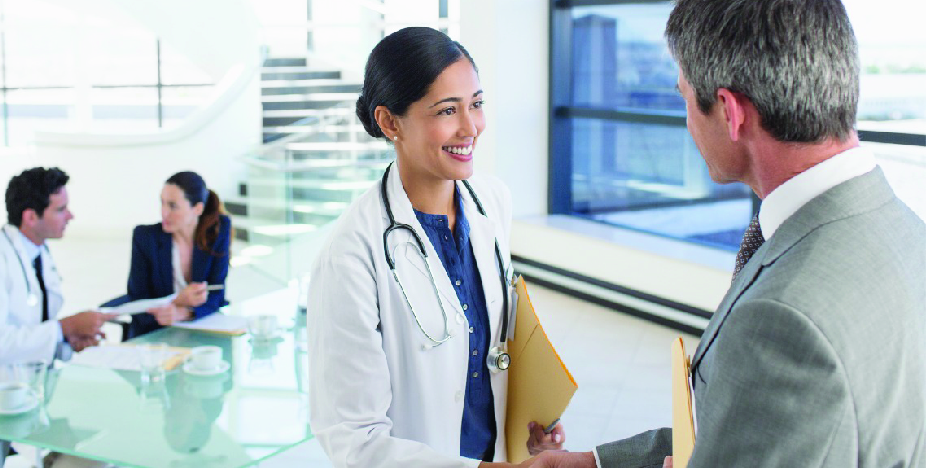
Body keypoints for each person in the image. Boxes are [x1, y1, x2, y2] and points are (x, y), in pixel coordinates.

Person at [531, 0, 926, 466]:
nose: (686, 121)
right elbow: (750, 425)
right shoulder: (903, 230)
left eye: (683, 97)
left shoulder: (784, 321)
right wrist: (594, 463)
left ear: (729, 111)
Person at [307, 27, 563, 467]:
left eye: (476, 104)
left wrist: (528, 428)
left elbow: (491, 348)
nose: (471, 128)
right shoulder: (350, 257)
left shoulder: (491, 200)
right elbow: (355, 442)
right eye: (447, 110)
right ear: (390, 122)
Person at [0, 167, 111, 414]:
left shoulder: (37, 252)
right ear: (31, 217)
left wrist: (66, 341)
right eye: (61, 210)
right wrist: (64, 328)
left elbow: (31, 324)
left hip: (30, 385)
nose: (71, 216)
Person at [123, 171, 231, 337]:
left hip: (201, 328)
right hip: (155, 335)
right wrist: (176, 301)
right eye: (162, 203)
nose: (164, 212)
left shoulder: (218, 231)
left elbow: (217, 293)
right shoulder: (145, 238)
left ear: (197, 209)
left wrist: (185, 313)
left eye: (173, 206)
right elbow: (138, 302)